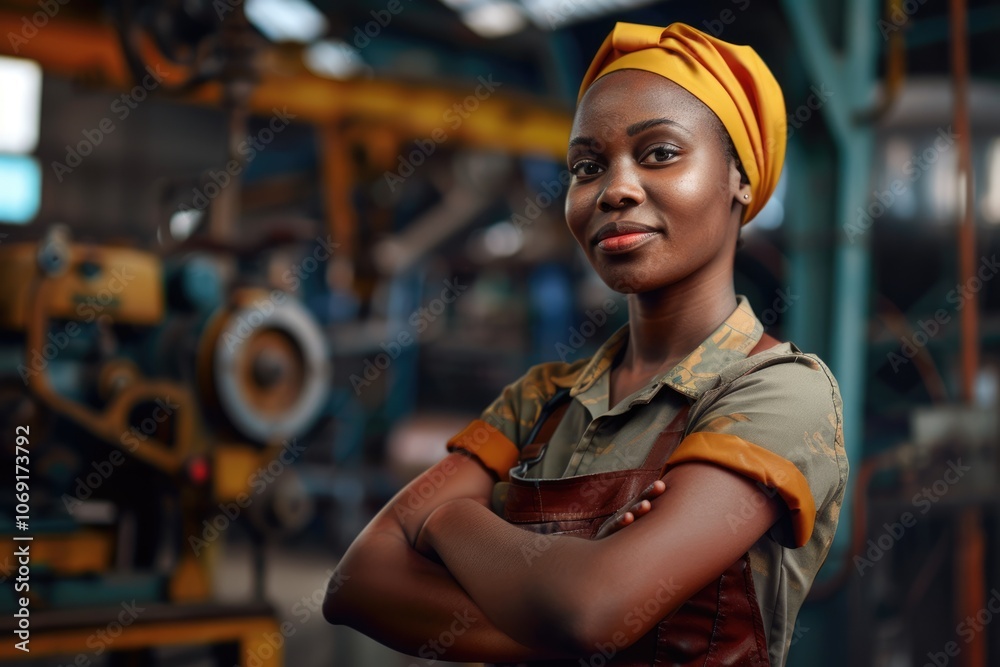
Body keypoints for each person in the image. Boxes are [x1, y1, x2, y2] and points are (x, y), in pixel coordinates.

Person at [323, 21, 848, 667]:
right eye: (587, 166)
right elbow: (358, 583)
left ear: (741, 178)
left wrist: (446, 522)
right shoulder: (542, 397)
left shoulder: (777, 389)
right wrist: (562, 600)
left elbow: (593, 609)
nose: (614, 189)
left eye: (659, 152)